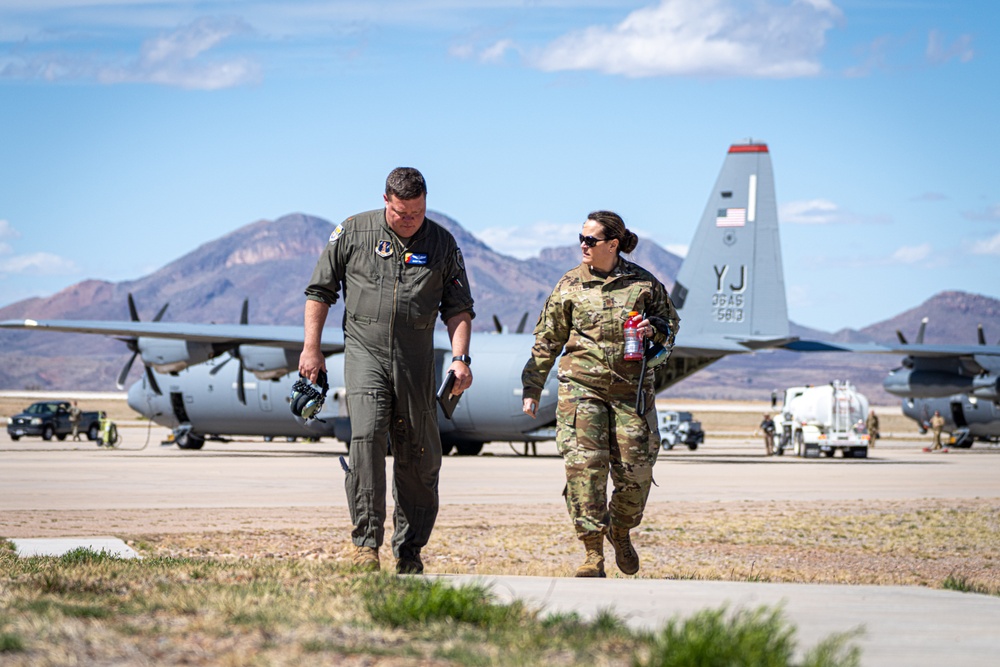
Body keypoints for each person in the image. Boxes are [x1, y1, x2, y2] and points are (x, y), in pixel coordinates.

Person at [299, 167, 475, 575]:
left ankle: (409, 550)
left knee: (420, 457)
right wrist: (311, 348)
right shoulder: (353, 233)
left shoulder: (442, 243)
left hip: (416, 362)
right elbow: (319, 292)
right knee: (366, 439)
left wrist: (461, 358)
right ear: (385, 201)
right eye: (401, 213)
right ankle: (366, 545)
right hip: (365, 353)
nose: (410, 220)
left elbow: (458, 308)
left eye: (418, 212)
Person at [521, 210, 679, 578]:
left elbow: (669, 328)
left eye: (590, 240)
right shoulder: (569, 285)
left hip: (630, 394)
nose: (583, 245)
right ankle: (592, 553)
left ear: (613, 244)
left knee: (636, 473)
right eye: (581, 238)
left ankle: (620, 531)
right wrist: (532, 386)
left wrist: (652, 329)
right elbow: (547, 339)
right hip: (581, 391)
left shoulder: (644, 284)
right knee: (585, 471)